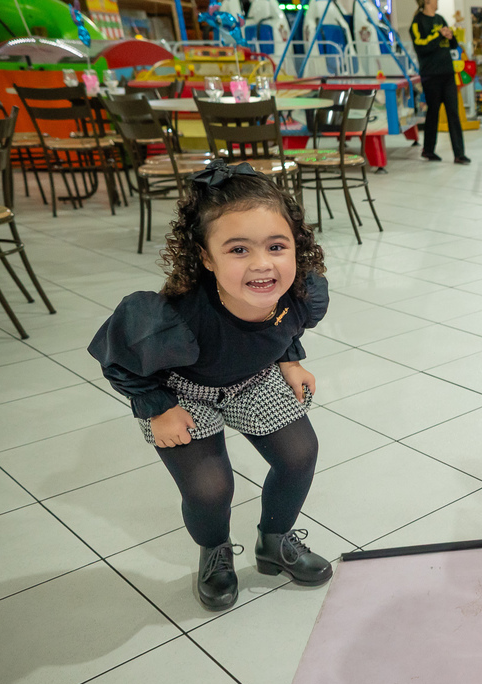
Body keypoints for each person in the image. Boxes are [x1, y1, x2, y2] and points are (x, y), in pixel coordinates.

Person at [88, 161, 333, 612]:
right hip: (181, 391)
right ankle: (215, 550)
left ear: (296, 247)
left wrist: (290, 360)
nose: (263, 264)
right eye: (238, 249)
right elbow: (120, 360)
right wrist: (158, 407)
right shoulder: (175, 317)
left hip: (253, 380)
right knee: (210, 489)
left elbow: (284, 327)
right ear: (205, 257)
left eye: (276, 246)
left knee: (300, 454)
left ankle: (274, 541)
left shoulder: (302, 291)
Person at [410, 0, 471, 165]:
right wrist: (438, 35)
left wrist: (451, 37)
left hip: (447, 73)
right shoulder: (417, 23)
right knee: (433, 112)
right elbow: (421, 46)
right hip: (431, 75)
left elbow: (453, 45)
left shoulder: (440, 19)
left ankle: (459, 153)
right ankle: (428, 150)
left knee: (453, 112)